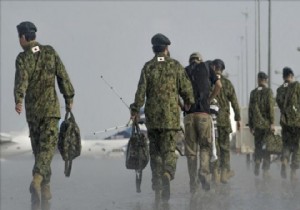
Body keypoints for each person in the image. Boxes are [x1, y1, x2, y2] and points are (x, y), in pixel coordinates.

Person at [14, 21, 75, 208]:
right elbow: (62, 75)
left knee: (40, 152)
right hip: (50, 112)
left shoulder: (22, 58)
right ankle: (39, 179)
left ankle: (45, 190)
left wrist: (18, 99)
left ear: (24, 37)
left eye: (19, 37)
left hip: (33, 114)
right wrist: (68, 96)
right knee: (47, 152)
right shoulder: (50, 52)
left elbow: (21, 80)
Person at [130, 33, 194, 202]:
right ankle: (168, 173)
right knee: (169, 152)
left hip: (153, 120)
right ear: (166, 48)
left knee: (156, 153)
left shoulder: (148, 67)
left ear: (154, 48)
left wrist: (135, 109)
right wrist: (188, 103)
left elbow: (140, 93)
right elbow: (187, 90)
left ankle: (157, 187)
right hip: (171, 119)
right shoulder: (175, 66)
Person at [183, 53, 222, 193]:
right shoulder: (206, 67)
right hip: (204, 115)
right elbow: (218, 85)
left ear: (190, 61)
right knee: (205, 147)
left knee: (191, 152)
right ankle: (204, 173)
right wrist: (209, 99)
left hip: (189, 116)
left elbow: (175, 92)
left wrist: (182, 106)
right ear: (200, 60)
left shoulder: (184, 70)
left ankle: (193, 183)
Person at [211, 59, 241, 184]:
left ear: (213, 67)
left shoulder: (209, 82)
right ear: (222, 69)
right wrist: (237, 118)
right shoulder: (227, 83)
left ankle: (215, 173)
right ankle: (225, 172)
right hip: (224, 121)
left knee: (215, 148)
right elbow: (234, 102)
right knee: (225, 148)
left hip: (212, 122)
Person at [248, 72, 274, 179]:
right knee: (267, 147)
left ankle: (258, 161)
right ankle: (266, 171)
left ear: (258, 80)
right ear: (266, 80)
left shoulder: (253, 93)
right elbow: (271, 108)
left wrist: (251, 125)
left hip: (257, 125)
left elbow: (250, 110)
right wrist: (272, 122)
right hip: (266, 125)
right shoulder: (268, 92)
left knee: (258, 146)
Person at [276, 67, 300, 181]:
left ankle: (284, 161)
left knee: (286, 144)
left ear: (283, 77)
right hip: (297, 122)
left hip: (285, 122)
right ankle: (293, 172)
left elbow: (280, 104)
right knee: (296, 147)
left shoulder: (280, 89)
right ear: (291, 75)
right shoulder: (297, 86)